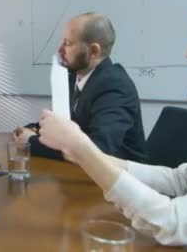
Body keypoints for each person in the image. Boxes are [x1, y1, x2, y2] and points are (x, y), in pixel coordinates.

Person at [37, 0, 187, 248]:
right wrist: (86, 152)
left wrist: (80, 148)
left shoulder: (110, 82)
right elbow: (184, 181)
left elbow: (173, 223)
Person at [14, 12, 147, 162]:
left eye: (68, 44)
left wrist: (31, 142)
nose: (59, 50)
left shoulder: (115, 86)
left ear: (94, 51)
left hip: (117, 180)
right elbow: (65, 126)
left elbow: (98, 149)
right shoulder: (74, 75)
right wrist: (34, 129)